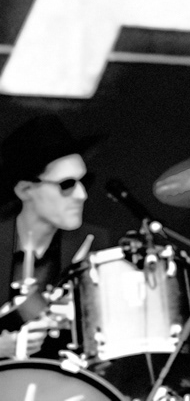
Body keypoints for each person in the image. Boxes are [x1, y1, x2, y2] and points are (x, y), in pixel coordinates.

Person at [0, 113, 109, 359]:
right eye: (67, 184)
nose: (82, 194)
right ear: (25, 190)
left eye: (85, 181)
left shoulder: (94, 243)